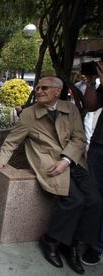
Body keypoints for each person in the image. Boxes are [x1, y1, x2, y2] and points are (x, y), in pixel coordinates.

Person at [0, 76, 101, 274]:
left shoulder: (71, 109)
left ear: (57, 91)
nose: (38, 90)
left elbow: (79, 138)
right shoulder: (29, 114)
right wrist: (1, 161)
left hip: (72, 161)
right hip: (49, 164)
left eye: (44, 88)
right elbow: (12, 141)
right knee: (74, 200)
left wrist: (66, 160)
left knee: (94, 201)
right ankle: (50, 241)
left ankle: (73, 245)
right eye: (38, 87)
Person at [81, 61, 103, 266]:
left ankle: (97, 245)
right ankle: (89, 242)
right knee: (95, 197)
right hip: (99, 145)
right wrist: (92, 81)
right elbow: (90, 106)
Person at [75, 74, 100, 144]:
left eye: (84, 76)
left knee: (88, 121)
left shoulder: (96, 84)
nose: (84, 77)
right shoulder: (78, 85)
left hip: (90, 104)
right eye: (82, 76)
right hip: (80, 105)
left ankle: (88, 139)